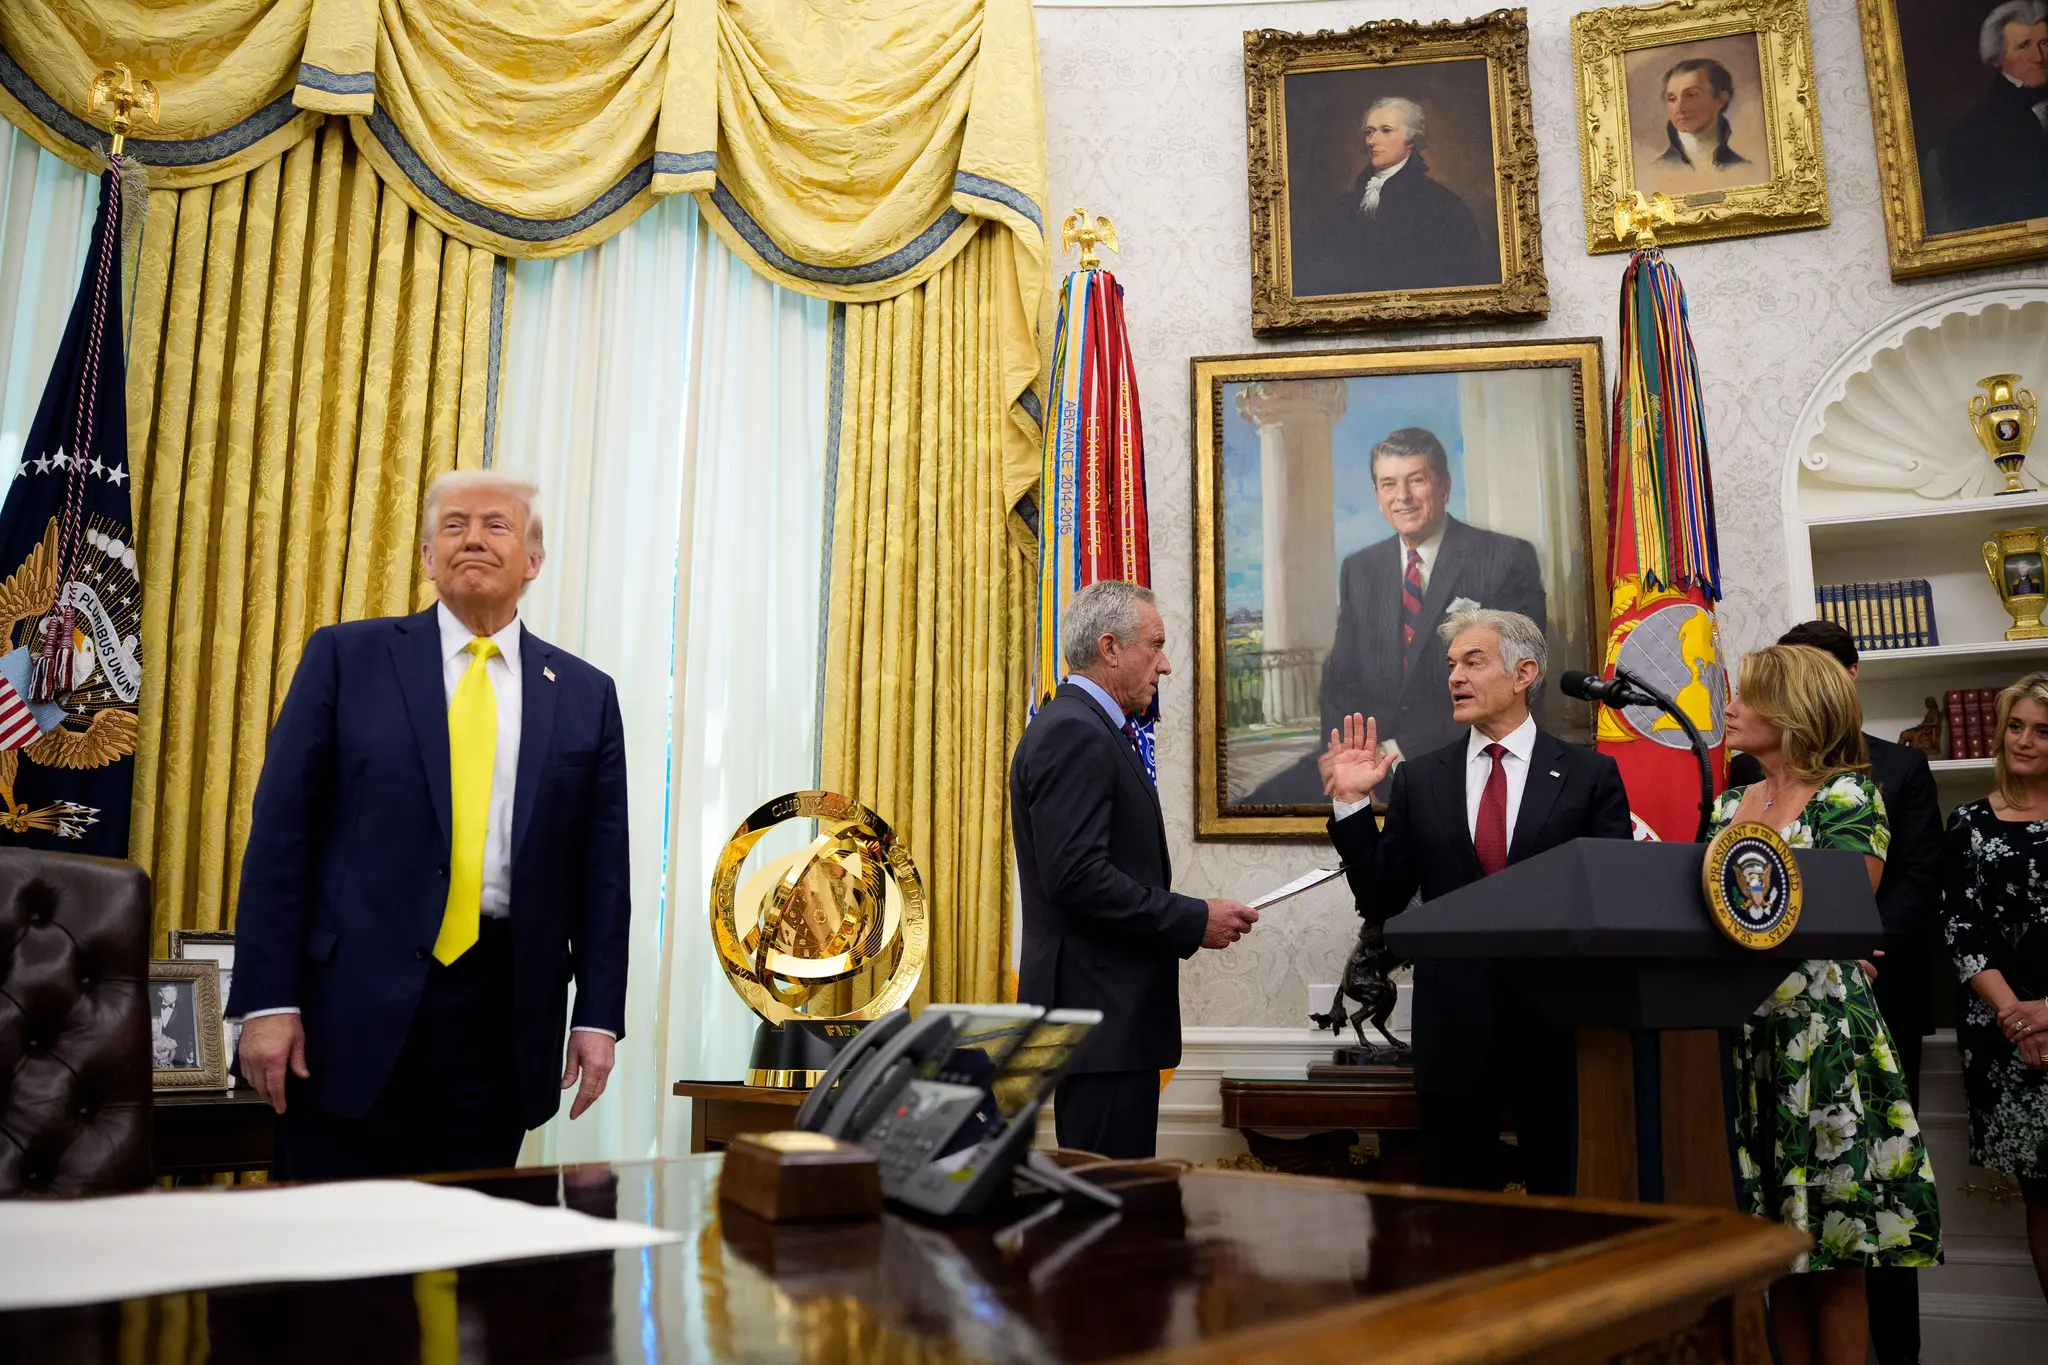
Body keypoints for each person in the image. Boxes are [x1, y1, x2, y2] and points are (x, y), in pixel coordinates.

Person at [228, 470, 631, 1180]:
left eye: (497, 525)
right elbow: (282, 839)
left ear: (534, 561)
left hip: (503, 1015)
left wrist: (597, 1015)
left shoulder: (585, 695)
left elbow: (603, 873)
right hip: (345, 1013)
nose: (473, 538)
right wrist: (267, 1001)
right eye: (453, 525)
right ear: (425, 556)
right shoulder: (344, 658)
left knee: (469, 1237)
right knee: (331, 1237)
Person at [1321, 607, 1631, 1195]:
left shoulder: (1589, 776)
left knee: (1565, 1202)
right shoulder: (1422, 779)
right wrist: (1353, 806)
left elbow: (1609, 902)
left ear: (1523, 674)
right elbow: (1382, 897)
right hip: (1453, 1027)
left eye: (1473, 661)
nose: (1455, 677)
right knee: (1456, 1209)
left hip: (1557, 1028)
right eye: (1450, 665)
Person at [1712, 644, 1941, 1365]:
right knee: (1777, 1254)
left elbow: (1839, 911)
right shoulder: (1728, 804)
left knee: (1837, 1254)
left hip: (1823, 1042)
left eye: (1746, 697)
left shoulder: (1848, 796)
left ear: (1790, 711)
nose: (1730, 708)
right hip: (1747, 1039)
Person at [1012, 580, 1258, 1159]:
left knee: (1115, 1192)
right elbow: (1076, 878)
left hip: (1108, 1018)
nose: (1165, 665)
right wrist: (1192, 919)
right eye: (1156, 645)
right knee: (1108, 1196)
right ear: (1111, 648)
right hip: (1100, 1019)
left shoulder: (1088, 726)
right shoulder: (1074, 731)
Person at [1246, 428, 1545, 806]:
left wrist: (1396, 751)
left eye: (1416, 480)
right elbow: (1340, 679)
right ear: (1377, 494)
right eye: (1389, 484)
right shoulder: (1360, 569)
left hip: (1459, 756)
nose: (1402, 497)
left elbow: (1512, 685)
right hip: (1365, 756)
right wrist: (1344, 755)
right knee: (1259, 803)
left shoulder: (1504, 558)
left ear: (1444, 486)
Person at [1940, 671, 2048, 1305]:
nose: (2024, 740)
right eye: (2015, 726)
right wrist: (2017, 1016)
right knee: (2044, 1193)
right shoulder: (1969, 822)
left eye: (2042, 730)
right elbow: (1961, 929)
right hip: (2004, 1036)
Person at [1293, 97, 1494, 297]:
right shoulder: (1345, 205)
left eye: (1386, 130)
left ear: (1411, 140)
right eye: (1369, 132)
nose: (1372, 141)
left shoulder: (1443, 205)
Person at [1932, 1, 2048, 233]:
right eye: (2023, 46)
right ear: (1996, 58)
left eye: (2044, 43)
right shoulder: (1970, 137)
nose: (2039, 56)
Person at [1649, 58, 1751, 182]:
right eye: (1672, 99)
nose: (1680, 108)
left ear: (1721, 99)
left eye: (1691, 95)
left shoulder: (1745, 170)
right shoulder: (1653, 173)